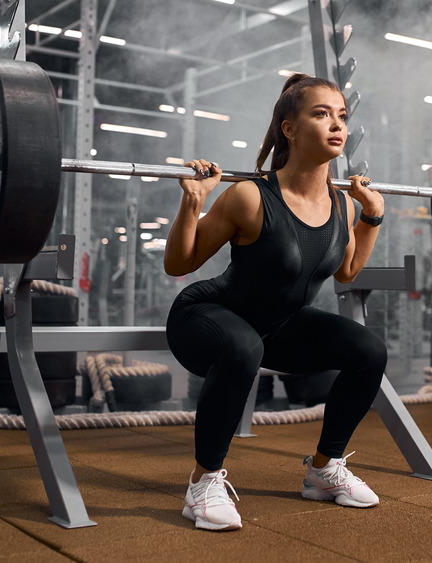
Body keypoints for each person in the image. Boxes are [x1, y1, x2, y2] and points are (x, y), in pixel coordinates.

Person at [163, 73, 387, 532]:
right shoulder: (250, 196)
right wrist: (193, 203)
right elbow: (179, 262)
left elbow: (346, 271)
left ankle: (324, 469)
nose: (337, 125)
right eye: (321, 114)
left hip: (276, 328)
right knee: (244, 346)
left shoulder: (341, 205)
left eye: (341, 116)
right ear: (289, 128)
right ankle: (203, 483)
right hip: (205, 318)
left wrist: (373, 215)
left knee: (369, 351)